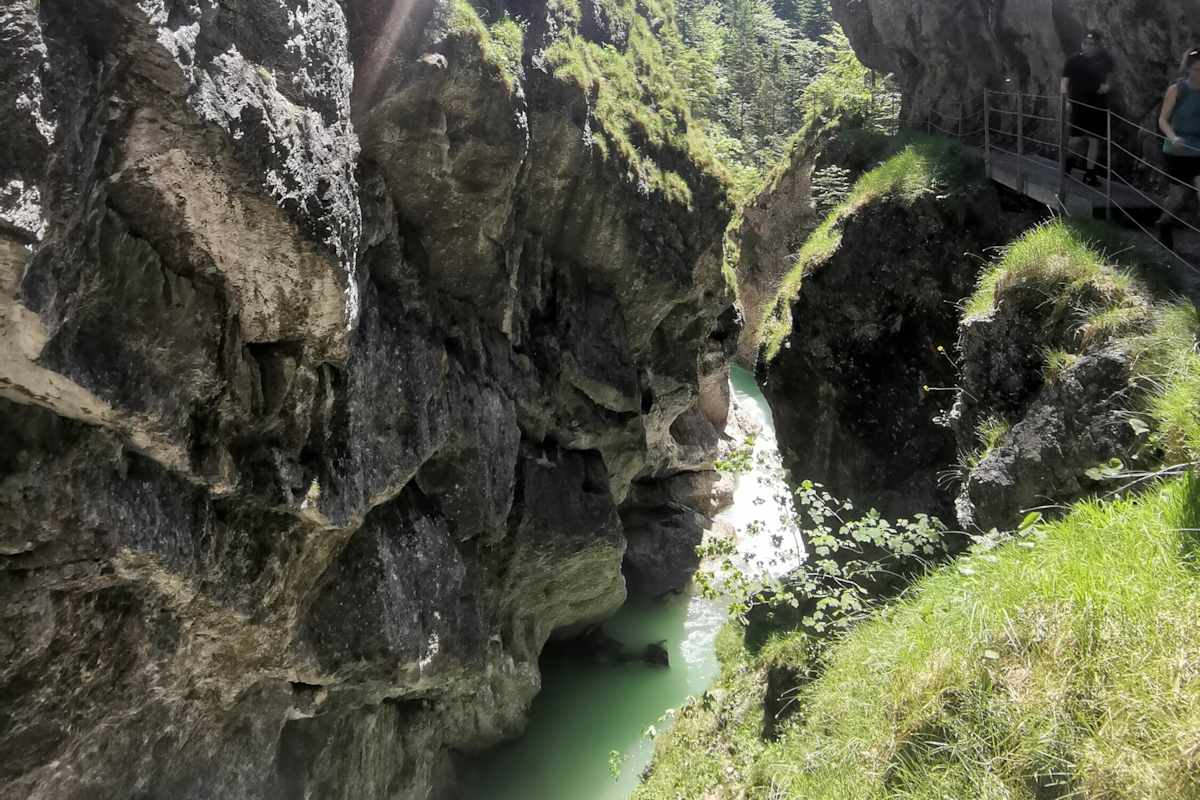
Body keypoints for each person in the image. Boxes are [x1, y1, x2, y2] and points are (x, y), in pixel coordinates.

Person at [1156, 48, 1200, 249]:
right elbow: (1163, 119)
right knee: (1178, 197)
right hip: (1176, 149)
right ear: (1189, 69)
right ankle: (1164, 223)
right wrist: (1173, 137)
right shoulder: (1177, 89)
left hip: (1198, 150)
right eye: (1198, 69)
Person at [1061, 31, 1115, 186]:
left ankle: (1090, 173)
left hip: (1097, 104)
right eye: (1085, 43)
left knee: (1094, 140)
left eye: (1091, 44)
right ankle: (1069, 163)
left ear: (1097, 46)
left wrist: (1108, 86)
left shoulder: (1105, 60)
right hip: (1078, 104)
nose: (1087, 46)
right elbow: (1064, 81)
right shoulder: (1073, 60)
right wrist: (1065, 100)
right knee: (1075, 140)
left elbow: (1111, 77)